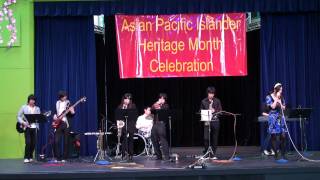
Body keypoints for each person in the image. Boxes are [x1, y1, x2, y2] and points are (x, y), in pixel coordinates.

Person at [265, 83, 287, 160]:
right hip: (273, 118)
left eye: (281, 90)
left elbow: (284, 108)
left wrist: (280, 101)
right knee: (274, 136)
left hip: (281, 117)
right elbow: (273, 106)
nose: (281, 91)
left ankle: (283, 154)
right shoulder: (269, 97)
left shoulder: (282, 97)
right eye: (280, 90)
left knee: (283, 136)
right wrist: (277, 98)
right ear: (275, 90)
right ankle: (276, 155)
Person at [17, 94, 41, 163]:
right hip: (27, 127)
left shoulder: (37, 108)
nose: (32, 101)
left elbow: (38, 118)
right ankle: (26, 157)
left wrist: (40, 118)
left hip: (34, 127)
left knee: (33, 143)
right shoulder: (24, 107)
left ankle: (30, 156)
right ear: (28, 100)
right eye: (31, 100)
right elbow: (18, 116)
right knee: (28, 142)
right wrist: (23, 122)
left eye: (33, 100)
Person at [200, 86, 222, 159]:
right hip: (207, 120)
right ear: (207, 93)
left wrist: (214, 111)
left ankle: (213, 154)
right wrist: (208, 111)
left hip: (215, 121)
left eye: (212, 93)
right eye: (210, 93)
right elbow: (200, 111)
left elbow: (220, 111)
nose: (211, 95)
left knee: (214, 138)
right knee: (206, 138)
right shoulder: (203, 101)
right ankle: (206, 152)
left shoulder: (217, 101)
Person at [53, 91, 75, 162]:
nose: (65, 97)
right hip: (58, 123)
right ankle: (58, 157)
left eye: (65, 96)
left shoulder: (68, 103)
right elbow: (55, 112)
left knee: (66, 141)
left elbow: (72, 114)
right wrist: (55, 117)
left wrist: (72, 112)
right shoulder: (57, 103)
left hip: (66, 123)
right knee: (56, 141)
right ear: (60, 97)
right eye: (64, 96)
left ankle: (64, 158)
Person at [116, 93, 137, 161]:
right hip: (124, 125)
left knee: (131, 140)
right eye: (126, 98)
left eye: (129, 99)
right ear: (124, 99)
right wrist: (123, 107)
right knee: (124, 140)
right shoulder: (120, 106)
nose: (127, 100)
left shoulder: (133, 106)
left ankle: (131, 155)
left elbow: (134, 114)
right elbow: (118, 116)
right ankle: (123, 154)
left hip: (131, 124)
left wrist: (127, 107)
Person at [151, 93, 170, 161]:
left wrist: (159, 106)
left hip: (161, 124)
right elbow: (151, 110)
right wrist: (157, 103)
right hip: (155, 124)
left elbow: (161, 111)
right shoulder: (156, 104)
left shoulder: (166, 106)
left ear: (165, 99)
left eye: (163, 98)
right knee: (154, 139)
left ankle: (167, 156)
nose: (161, 100)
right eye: (160, 98)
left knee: (163, 140)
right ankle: (158, 156)